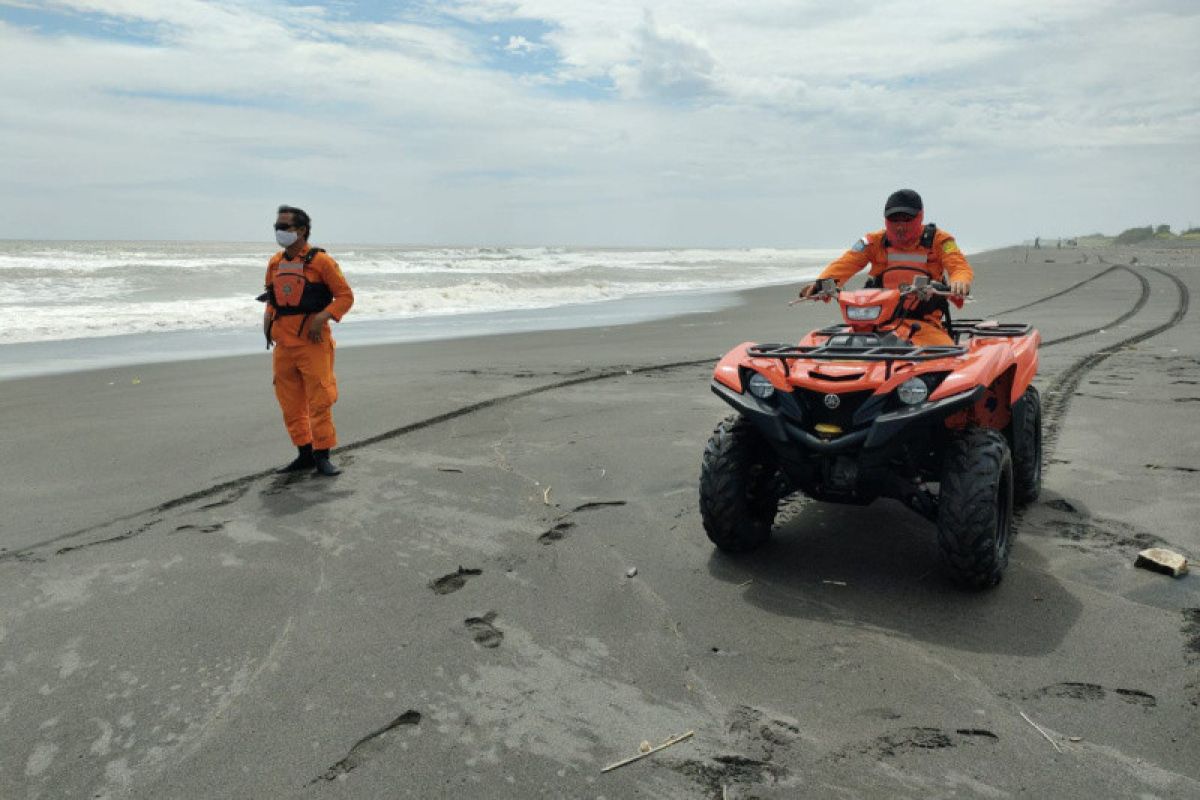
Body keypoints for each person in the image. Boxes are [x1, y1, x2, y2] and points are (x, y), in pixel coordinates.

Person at [798, 189, 973, 346]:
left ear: (920, 216)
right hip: (874, 320)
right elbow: (847, 262)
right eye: (894, 220)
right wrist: (821, 283)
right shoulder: (873, 241)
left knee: (945, 356)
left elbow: (958, 266)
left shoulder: (939, 240)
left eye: (906, 219)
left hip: (923, 321)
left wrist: (960, 282)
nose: (900, 226)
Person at [261, 205, 354, 476]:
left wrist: (322, 317)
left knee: (320, 400)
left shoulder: (321, 262)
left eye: (285, 227)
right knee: (289, 403)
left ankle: (323, 454)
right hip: (283, 345)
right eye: (277, 227)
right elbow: (272, 297)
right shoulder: (275, 263)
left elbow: (346, 297)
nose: (279, 232)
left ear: (301, 230)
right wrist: (267, 321)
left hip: (312, 344)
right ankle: (304, 453)